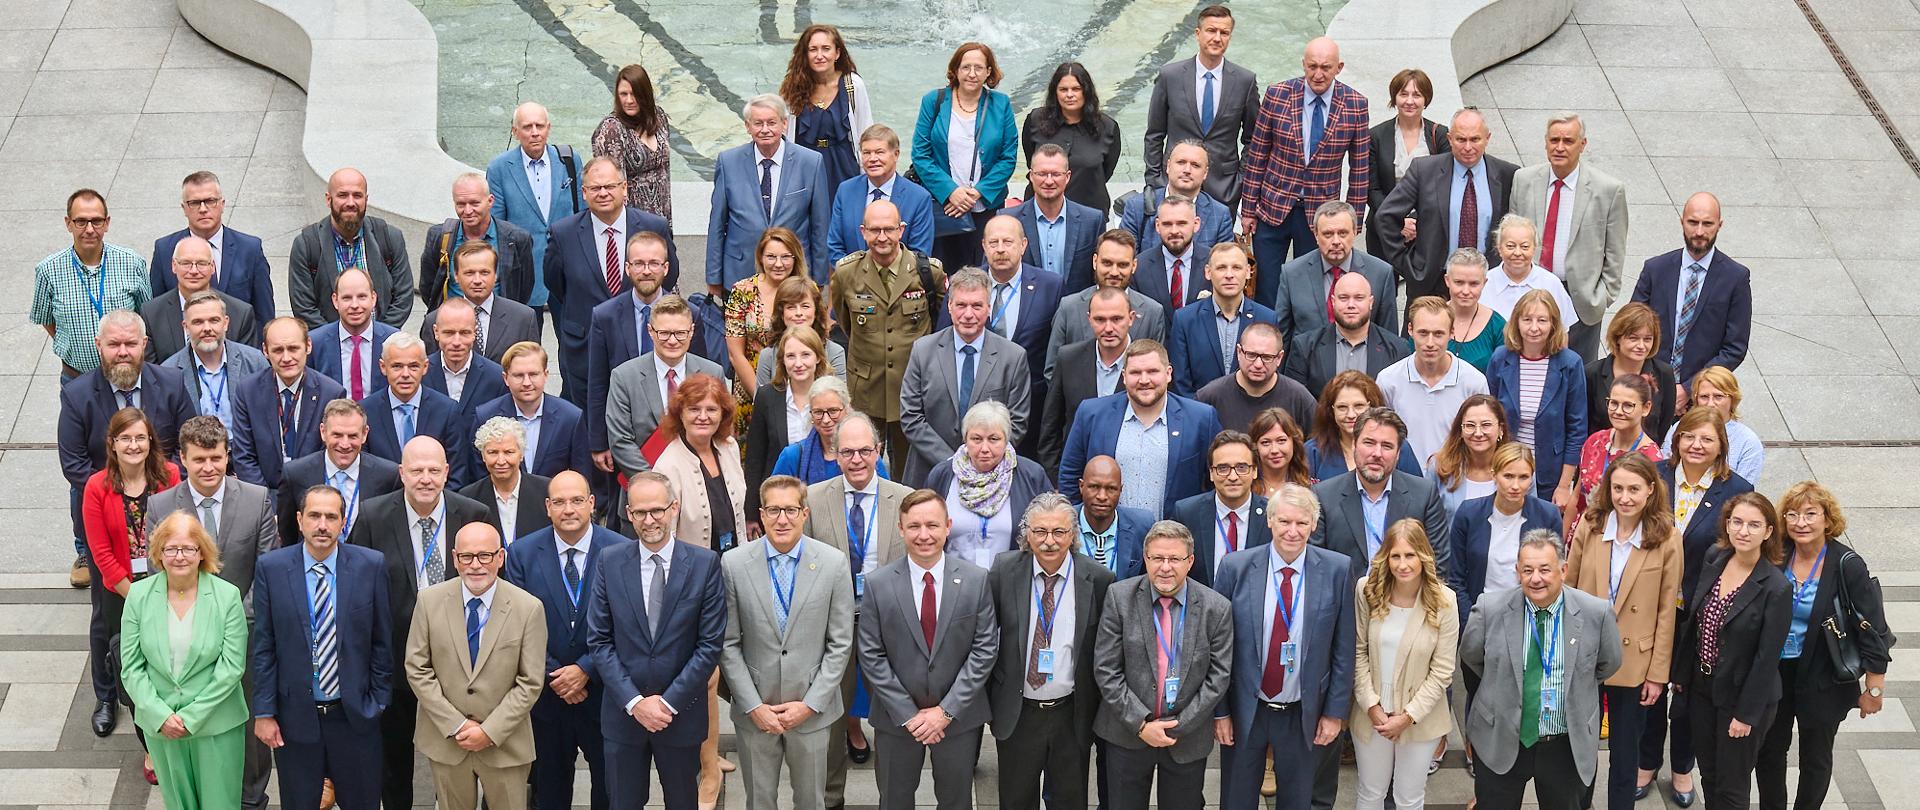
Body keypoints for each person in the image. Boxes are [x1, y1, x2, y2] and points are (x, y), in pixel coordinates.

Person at [345, 436, 491, 810]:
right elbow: (358, 590)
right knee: (394, 764)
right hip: (395, 664)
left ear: (446, 472)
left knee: (460, 762)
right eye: (416, 470)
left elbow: (491, 584)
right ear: (401, 474)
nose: (425, 478)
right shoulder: (374, 515)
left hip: (462, 664)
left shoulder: (473, 514)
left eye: (433, 470)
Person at [147, 416, 277, 806]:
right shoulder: (162, 505)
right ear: (183, 459)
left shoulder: (256, 499)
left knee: (248, 720)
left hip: (247, 631)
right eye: (200, 459)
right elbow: (162, 571)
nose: (209, 468)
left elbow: (265, 570)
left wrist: (232, 621)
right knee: (194, 717)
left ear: (227, 456)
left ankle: (252, 798)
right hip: (184, 636)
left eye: (216, 458)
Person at [587, 472, 727, 810]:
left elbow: (709, 645)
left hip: (679, 716)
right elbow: (599, 640)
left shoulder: (705, 564)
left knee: (682, 802)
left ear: (674, 508)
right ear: (629, 514)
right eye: (640, 512)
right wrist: (635, 702)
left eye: (657, 510)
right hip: (624, 716)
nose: (649, 520)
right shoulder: (610, 561)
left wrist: (666, 704)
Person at [856, 489, 1000, 810]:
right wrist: (910, 715)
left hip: (958, 718)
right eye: (914, 526)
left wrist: (945, 712)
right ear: (900, 529)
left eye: (932, 526)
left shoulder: (976, 580)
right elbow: (870, 654)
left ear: (948, 526)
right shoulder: (878, 584)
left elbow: (984, 650)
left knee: (956, 801)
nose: (924, 535)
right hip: (896, 718)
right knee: (894, 800)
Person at [251, 484, 392, 810]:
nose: (323, 525)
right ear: (299, 520)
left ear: (343, 522)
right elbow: (265, 645)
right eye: (314, 516)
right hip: (295, 717)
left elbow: (382, 641)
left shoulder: (370, 566)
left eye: (331, 517)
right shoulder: (272, 569)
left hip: (354, 715)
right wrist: (264, 711)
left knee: (363, 802)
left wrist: (378, 700)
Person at [719, 475, 856, 810]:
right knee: (759, 800)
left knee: (811, 800)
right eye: (774, 510)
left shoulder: (834, 563)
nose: (782, 519)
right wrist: (753, 705)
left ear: (805, 514)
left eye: (791, 510)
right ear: (761, 514)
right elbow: (727, 643)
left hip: (810, 709)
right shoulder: (734, 564)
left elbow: (840, 643)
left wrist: (810, 704)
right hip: (756, 711)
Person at [1640, 406, 1755, 803]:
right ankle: (1645, 761)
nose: (1696, 445)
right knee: (1648, 687)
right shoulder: (1654, 475)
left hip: (1700, 611)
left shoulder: (1736, 489)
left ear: (1721, 445)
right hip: (1651, 602)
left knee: (1688, 696)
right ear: (1676, 439)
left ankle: (1682, 768)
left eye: (1707, 439)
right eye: (1689, 436)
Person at [1462, 530, 1621, 810]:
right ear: (1517, 572)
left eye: (1545, 570)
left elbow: (1608, 663)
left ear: (1563, 570)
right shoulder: (1489, 609)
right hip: (1502, 736)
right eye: (1527, 570)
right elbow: (1472, 657)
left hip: (1563, 742)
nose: (1536, 578)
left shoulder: (1596, 613)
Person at [1758, 482, 1893, 810]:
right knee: (1769, 752)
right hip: (1776, 672)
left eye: (1810, 514)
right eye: (1792, 514)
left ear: (1827, 519)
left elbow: (1873, 628)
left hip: (1822, 674)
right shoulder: (1778, 554)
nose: (1800, 523)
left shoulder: (1847, 564)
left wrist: (1873, 689)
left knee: (1815, 757)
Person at [802, 412, 915, 803]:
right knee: (831, 719)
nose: (856, 459)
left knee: (891, 717)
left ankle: (893, 799)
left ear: (879, 452)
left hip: (890, 628)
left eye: (864, 450)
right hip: (833, 627)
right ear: (834, 454)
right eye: (847, 451)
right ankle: (831, 799)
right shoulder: (814, 499)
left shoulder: (904, 499)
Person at [1565, 453, 1683, 810]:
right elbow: (1568, 586)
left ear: (1651, 490)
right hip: (1586, 653)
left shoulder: (1667, 537)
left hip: (1635, 662)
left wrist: (1657, 675)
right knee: (1581, 745)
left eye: (1634, 489)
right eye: (1618, 488)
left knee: (1625, 751)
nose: (1625, 497)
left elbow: (1667, 612)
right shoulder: (1592, 523)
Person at [987, 492, 1117, 810]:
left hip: (1071, 714)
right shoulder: (1005, 571)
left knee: (1069, 801)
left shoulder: (1099, 579)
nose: (1049, 541)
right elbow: (985, 636)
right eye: (1040, 532)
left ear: (1072, 534)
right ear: (1026, 534)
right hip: (1018, 713)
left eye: (1058, 532)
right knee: (1016, 801)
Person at [405, 522, 547, 810]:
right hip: (447, 741)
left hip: (505, 743)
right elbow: (417, 668)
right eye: (467, 557)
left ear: (500, 558)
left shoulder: (528, 608)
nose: (476, 565)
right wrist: (456, 724)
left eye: (485, 556)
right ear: (455, 558)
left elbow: (530, 682)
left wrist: (489, 731)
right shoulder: (429, 601)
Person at [1092, 520, 1233, 810]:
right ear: (1146, 558)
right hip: (1127, 733)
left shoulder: (1216, 608)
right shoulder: (1119, 598)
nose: (1165, 567)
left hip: (1186, 737)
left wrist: (1178, 726)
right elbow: (1106, 669)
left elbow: (1218, 677)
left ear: (1190, 561)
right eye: (1157, 558)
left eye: (1175, 559)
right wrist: (1142, 724)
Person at [501, 471, 618, 810]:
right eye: (560, 502)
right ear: (548, 507)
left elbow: (626, 625)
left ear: (592, 504)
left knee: (609, 789)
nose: (569, 509)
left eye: (577, 500)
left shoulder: (619, 549)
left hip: (602, 693)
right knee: (549, 792)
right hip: (546, 697)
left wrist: (585, 669)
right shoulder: (522, 553)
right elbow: (517, 626)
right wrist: (556, 674)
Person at [120, 511, 251, 809]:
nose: (179, 556)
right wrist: (161, 715)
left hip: (217, 724)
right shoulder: (138, 596)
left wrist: (191, 718)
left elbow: (231, 668)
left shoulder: (227, 596)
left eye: (188, 548)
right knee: (178, 804)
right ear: (159, 553)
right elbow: (131, 666)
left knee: (220, 804)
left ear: (202, 552)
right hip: (161, 725)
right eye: (171, 548)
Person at [58, 309, 198, 578]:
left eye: (131, 344)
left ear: (144, 344)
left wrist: (159, 488)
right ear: (99, 345)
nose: (123, 352)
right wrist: (119, 496)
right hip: (105, 504)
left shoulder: (172, 383)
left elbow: (188, 446)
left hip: (164, 498)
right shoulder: (77, 395)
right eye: (113, 344)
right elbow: (74, 464)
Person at [1673, 493, 1790, 810]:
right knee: (1709, 775)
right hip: (1703, 689)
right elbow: (1695, 621)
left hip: (1743, 699)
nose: (1743, 531)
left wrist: (1745, 715)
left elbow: (1768, 659)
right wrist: (1682, 675)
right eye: (1737, 522)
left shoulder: (1776, 586)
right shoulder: (1716, 557)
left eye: (1754, 525)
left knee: (1732, 786)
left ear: (1768, 531)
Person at [1241, 37, 1373, 305]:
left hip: (1320, 213)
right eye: (1312, 66)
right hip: (1272, 208)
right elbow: (1258, 154)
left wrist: (1354, 219)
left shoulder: (1355, 104)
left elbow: (1360, 168)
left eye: (1326, 67)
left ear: (1339, 67)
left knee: (1311, 287)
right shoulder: (1278, 94)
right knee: (1266, 284)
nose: (1318, 74)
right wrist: (1247, 210)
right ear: (1303, 64)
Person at [83, 407, 184, 742]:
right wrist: (138, 596)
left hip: (166, 586)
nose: (133, 445)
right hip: (121, 594)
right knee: (132, 665)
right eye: (125, 438)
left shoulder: (169, 476)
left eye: (140, 437)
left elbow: (177, 534)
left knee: (167, 660)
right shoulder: (96, 487)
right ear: (112, 444)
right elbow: (101, 554)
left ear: (150, 440)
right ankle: (147, 741)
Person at [545, 156, 679, 404]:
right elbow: (555, 284)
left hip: (641, 344)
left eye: (610, 186)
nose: (603, 193)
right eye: (595, 188)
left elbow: (668, 275)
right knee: (589, 427)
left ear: (624, 188)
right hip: (585, 349)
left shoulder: (653, 226)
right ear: (584, 193)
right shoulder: (563, 233)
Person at [1348, 518, 1458, 810]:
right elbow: (1357, 652)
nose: (1403, 564)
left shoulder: (1444, 601)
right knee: (1370, 792)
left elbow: (1443, 671)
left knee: (1409, 798)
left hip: (1419, 718)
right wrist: (1371, 706)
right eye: (1395, 556)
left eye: (1410, 555)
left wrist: (1407, 716)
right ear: (1386, 557)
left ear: (1424, 556)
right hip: (1372, 715)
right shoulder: (1367, 591)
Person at [827, 200, 947, 468]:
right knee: (863, 462)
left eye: (889, 229)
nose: (882, 237)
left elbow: (940, 323)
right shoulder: (847, 273)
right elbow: (847, 324)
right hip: (867, 388)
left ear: (901, 230)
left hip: (913, 388)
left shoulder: (928, 272)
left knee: (911, 467)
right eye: (875, 230)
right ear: (863, 231)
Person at [1508, 113, 1630, 361]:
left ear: (1582, 144)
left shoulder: (1608, 190)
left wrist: (1602, 296)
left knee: (1577, 375)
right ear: (1545, 142)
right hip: (1531, 291)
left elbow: (1615, 252)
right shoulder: (1524, 180)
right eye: (1554, 140)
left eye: (1568, 141)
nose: (1560, 147)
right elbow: (1512, 233)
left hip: (1581, 300)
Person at [1058, 340, 1224, 519]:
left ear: (1168, 374)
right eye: (1135, 373)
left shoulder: (1200, 419)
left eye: (1152, 371)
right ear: (1124, 376)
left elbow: (1216, 480)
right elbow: (1070, 476)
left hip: (1175, 538)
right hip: (1108, 539)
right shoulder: (1091, 414)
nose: (1144, 380)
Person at [900, 267, 1033, 486]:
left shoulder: (1013, 357)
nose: (968, 314)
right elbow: (911, 416)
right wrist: (953, 461)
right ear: (950, 307)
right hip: (929, 472)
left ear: (989, 308)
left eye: (977, 306)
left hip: (990, 476)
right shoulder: (923, 351)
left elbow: (1016, 422)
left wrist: (980, 457)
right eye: (961, 305)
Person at [1308, 407, 1460, 594]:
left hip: (1405, 606)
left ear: (1398, 454)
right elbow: (1316, 564)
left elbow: (1438, 562)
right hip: (1344, 607)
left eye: (1387, 446)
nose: (1377, 453)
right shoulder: (1323, 495)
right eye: (1369, 443)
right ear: (1354, 444)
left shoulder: (1423, 493)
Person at [1374, 108, 1520, 303]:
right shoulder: (1424, 170)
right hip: (1433, 283)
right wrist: (1409, 266)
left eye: (1475, 139)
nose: (1468, 147)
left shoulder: (1507, 174)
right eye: (1461, 139)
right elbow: (1385, 217)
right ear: (1450, 139)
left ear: (1487, 138)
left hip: (1487, 285)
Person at [914, 42, 1020, 273]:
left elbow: (1008, 157)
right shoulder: (934, 101)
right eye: (966, 67)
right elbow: (921, 155)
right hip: (946, 207)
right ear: (956, 70)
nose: (972, 74)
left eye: (979, 68)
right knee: (945, 273)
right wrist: (951, 191)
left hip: (986, 205)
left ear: (989, 72)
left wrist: (978, 191)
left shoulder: (1000, 104)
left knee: (987, 272)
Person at [1630, 193, 1753, 392]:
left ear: (1719, 225)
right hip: (1650, 387)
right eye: (1693, 222)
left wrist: (1689, 388)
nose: (1699, 231)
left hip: (1702, 395)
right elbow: (1631, 327)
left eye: (1707, 224)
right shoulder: (1656, 269)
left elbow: (1734, 348)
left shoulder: (1735, 278)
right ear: (1682, 222)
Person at [709, 94, 832, 289]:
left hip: (794, 274)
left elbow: (820, 225)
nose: (765, 130)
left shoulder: (810, 162)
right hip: (740, 273)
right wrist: (714, 277)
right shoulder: (728, 162)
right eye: (758, 123)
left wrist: (819, 278)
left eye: (771, 123)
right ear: (747, 126)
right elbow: (717, 223)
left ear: (784, 124)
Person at [1143, 4, 1259, 210]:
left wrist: (1240, 180)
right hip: (1175, 185)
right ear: (1198, 33)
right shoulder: (1170, 76)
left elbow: (1253, 139)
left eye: (1224, 32)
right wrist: (1155, 181)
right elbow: (1154, 134)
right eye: (1211, 30)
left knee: (1218, 243)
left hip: (1223, 189)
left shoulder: (1244, 81)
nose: (1217, 38)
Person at [604, 295, 726, 479]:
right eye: (664, 333)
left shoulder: (713, 373)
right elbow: (620, 441)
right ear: (650, 331)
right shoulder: (624, 377)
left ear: (692, 331)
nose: (672, 341)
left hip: (701, 483)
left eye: (680, 333)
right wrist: (655, 482)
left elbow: (722, 431)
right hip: (645, 489)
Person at [37, 189, 152, 382]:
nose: (89, 229)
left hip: (127, 376)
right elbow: (45, 318)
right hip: (76, 377)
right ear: (68, 223)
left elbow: (147, 315)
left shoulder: (132, 263)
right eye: (81, 222)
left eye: (96, 221)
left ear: (106, 223)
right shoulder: (48, 270)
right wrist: (70, 344)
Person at [1487, 288, 1588, 504]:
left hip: (1549, 476)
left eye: (1542, 320)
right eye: (1527, 319)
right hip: (1507, 467)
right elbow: (1490, 415)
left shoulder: (1570, 364)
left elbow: (1577, 429)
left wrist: (1563, 485)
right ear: (1517, 322)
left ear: (1553, 324)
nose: (1534, 328)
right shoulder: (1500, 358)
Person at [924, 401, 1052, 570]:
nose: (985, 448)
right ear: (965, 439)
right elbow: (925, 528)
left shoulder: (1032, 476)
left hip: (1012, 581)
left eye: (994, 439)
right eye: (976, 439)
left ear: (1006, 440)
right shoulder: (943, 475)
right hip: (954, 582)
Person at [491, 101, 588, 324]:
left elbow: (582, 214)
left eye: (540, 126)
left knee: (574, 345)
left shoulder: (569, 160)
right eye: (527, 127)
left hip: (567, 273)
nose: (535, 133)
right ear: (515, 132)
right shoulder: (499, 169)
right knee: (526, 348)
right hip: (524, 275)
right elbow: (497, 227)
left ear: (549, 128)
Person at [586, 232, 679, 462]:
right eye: (639, 263)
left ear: (665, 268)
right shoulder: (604, 316)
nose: (646, 271)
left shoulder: (686, 313)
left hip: (676, 433)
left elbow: (699, 376)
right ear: (627, 268)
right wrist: (599, 443)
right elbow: (597, 383)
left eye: (654, 263)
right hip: (626, 433)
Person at [1450, 443, 1563, 625]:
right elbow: (1455, 577)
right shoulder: (1468, 513)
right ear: (1494, 475)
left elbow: (1553, 574)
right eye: (1508, 476)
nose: (1515, 486)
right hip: (1478, 615)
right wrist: (1471, 620)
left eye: (1523, 477)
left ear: (1532, 479)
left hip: (1529, 618)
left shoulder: (1547, 515)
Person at [288, 168, 412, 329]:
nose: (350, 203)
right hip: (330, 347)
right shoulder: (306, 245)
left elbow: (403, 298)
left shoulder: (390, 238)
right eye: (342, 195)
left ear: (366, 200)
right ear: (328, 199)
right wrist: (335, 340)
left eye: (357, 195)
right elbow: (304, 307)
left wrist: (378, 337)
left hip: (381, 344)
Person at [232, 318, 346, 490]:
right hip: (264, 496)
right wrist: (264, 505)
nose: (286, 358)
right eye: (278, 350)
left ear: (308, 346)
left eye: (293, 348)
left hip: (313, 495)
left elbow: (332, 456)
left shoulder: (331, 393)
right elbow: (244, 456)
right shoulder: (247, 391)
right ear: (265, 351)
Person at [1377, 296, 1491, 468]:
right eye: (1423, 333)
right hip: (1404, 482)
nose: (1430, 343)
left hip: (1456, 481)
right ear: (1410, 330)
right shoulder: (1388, 380)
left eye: (1438, 334)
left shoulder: (1474, 382)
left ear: (1452, 333)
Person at [973, 214, 1066, 423]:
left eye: (1008, 242)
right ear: (984, 246)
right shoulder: (965, 284)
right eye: (993, 243)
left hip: (1032, 404)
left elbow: (1057, 348)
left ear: (1023, 245)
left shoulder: (1051, 286)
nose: (1000, 249)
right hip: (976, 402)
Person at [274, 399, 402, 548]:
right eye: (337, 435)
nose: (345, 444)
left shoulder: (388, 476)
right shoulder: (295, 474)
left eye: (353, 436)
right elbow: (288, 535)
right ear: (323, 432)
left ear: (364, 434)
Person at [153, 170, 277, 321]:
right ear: (184, 208)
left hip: (239, 342)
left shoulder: (250, 249)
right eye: (195, 203)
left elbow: (264, 314)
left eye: (210, 201)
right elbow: (157, 313)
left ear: (222, 204)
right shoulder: (165, 249)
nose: (203, 209)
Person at [1043, 230, 1169, 377]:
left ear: (1134, 266)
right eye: (1107, 263)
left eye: (1122, 265)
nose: (1114, 272)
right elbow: (1053, 370)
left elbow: (1157, 371)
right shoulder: (1069, 308)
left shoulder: (1152, 312)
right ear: (1095, 261)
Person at [358, 332, 476, 489]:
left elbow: (457, 474)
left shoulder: (447, 410)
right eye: (397, 366)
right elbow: (364, 472)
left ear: (425, 367)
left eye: (413, 366)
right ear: (383, 367)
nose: (405, 374)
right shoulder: (365, 411)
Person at [1038, 288, 1135, 475]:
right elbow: (1051, 425)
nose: (1108, 328)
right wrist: (1054, 479)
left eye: (1116, 319)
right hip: (1077, 476)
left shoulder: (1145, 363)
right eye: (1100, 320)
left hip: (1129, 475)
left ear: (1130, 318)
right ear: (1089, 319)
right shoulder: (1068, 358)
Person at [652, 373, 748, 559]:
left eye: (712, 409)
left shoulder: (730, 447)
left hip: (736, 561)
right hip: (694, 572)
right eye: (694, 409)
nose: (703, 417)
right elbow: (666, 535)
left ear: (723, 414)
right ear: (680, 413)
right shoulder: (667, 466)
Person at [1274, 201, 1398, 342]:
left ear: (1355, 232)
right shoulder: (1292, 274)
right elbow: (1281, 338)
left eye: (1343, 233)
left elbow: (1389, 339)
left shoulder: (1380, 273)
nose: (1336, 241)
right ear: (1316, 235)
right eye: (1328, 234)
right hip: (1308, 362)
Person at [1169, 243, 1278, 396]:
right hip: (1199, 414)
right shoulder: (1185, 320)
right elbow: (1180, 383)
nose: (1229, 274)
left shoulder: (1267, 318)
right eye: (1221, 268)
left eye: (1236, 268)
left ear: (1248, 272)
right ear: (1208, 272)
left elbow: (1272, 375)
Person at [1280, 272, 1409, 399]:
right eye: (1343, 298)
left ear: (1371, 302)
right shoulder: (1304, 347)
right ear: (1333, 301)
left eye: (1359, 298)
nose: (1351, 305)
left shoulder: (1398, 350)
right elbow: (1295, 404)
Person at [418, 173, 537, 310]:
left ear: (490, 201)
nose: (468, 211)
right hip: (454, 325)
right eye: (461, 204)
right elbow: (428, 287)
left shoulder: (517, 239)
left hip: (500, 325)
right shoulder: (440, 236)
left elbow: (524, 289)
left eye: (475, 203)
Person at [474, 341, 591, 479]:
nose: (527, 383)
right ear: (505, 378)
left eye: (533, 374)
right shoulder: (485, 416)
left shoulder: (570, 418)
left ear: (546, 375)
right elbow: (478, 476)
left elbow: (582, 476)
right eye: (518, 376)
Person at [744, 326, 830, 514]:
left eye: (805, 355)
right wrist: (751, 511)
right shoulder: (767, 396)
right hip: (779, 498)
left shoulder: (831, 395)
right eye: (791, 356)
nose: (798, 363)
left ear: (818, 357)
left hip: (821, 496)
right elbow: (755, 457)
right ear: (782, 361)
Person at [1170, 431, 1272, 587]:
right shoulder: (1186, 513)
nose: (1232, 476)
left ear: (1255, 471)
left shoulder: (1271, 515)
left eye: (1242, 467)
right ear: (1211, 473)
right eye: (1223, 468)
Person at [1365, 69, 1450, 257]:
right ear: (1394, 98)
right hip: (1383, 227)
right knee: (1382, 285)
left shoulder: (1441, 135)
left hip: (1427, 228)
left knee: (1421, 286)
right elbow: (1371, 188)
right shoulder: (1376, 136)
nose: (1410, 101)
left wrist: (1415, 220)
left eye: (1417, 95)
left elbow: (1445, 187)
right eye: (1403, 94)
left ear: (1426, 99)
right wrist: (1397, 220)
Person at [781, 24, 872, 192]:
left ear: (837, 53)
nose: (819, 55)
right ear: (805, 54)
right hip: (805, 168)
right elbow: (785, 134)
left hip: (844, 166)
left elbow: (865, 129)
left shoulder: (853, 85)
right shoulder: (793, 86)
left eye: (826, 48)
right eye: (813, 49)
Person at [827, 124, 936, 263]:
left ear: (896, 154)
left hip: (901, 282)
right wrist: (857, 278)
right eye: (866, 153)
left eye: (879, 152)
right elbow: (835, 246)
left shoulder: (919, 197)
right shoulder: (846, 191)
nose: (872, 158)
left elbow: (919, 253)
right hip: (852, 282)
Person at [1570, 374, 1663, 536]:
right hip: (1582, 533)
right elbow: (1577, 497)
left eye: (1628, 405)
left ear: (1646, 408)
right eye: (1613, 403)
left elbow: (1651, 515)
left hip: (1621, 541)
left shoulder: (1651, 458)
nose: (1618, 411)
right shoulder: (1595, 442)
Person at [141, 236, 259, 363]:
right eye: (186, 263)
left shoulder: (241, 313)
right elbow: (151, 371)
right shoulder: (151, 314)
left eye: (201, 263)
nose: (193, 271)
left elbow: (247, 366)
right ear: (174, 266)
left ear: (213, 267)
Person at [163, 291, 270, 432]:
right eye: (198, 322)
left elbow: (269, 415)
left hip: (245, 451)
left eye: (214, 320)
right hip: (196, 452)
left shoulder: (254, 361)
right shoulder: (169, 372)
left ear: (225, 323)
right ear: (186, 327)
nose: (207, 328)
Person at [420, 241, 541, 364]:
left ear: (495, 275)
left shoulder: (523, 319)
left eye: (484, 272)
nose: (477, 280)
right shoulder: (435, 320)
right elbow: (431, 372)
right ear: (456, 276)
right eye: (469, 273)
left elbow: (533, 369)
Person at [725, 227, 810, 398]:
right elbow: (735, 354)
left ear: (795, 258)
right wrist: (762, 397)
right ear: (761, 257)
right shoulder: (742, 291)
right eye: (771, 257)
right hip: (751, 388)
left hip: (800, 388)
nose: (778, 264)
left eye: (786, 257)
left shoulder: (807, 290)